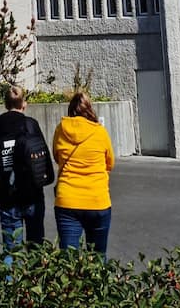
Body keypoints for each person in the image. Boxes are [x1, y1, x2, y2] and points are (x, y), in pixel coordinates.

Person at [0, 85, 48, 254]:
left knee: (10, 249)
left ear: (5, 104)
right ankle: (35, 279)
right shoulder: (31, 125)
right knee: (36, 247)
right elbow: (43, 156)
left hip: (8, 193)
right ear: (24, 104)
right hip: (33, 193)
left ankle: (8, 280)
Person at [52, 90, 114, 254]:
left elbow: (57, 157)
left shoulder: (61, 130)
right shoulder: (100, 132)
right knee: (98, 256)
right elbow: (110, 163)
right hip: (97, 198)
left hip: (67, 199)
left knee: (68, 261)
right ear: (90, 109)